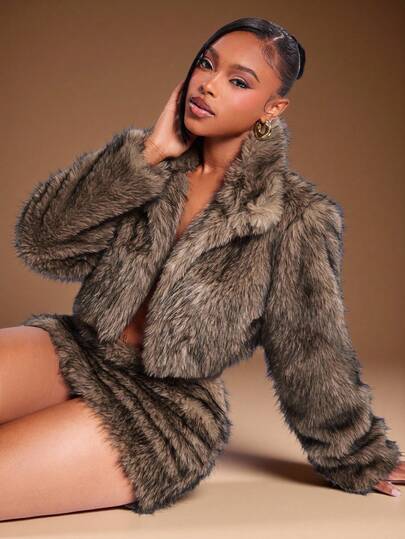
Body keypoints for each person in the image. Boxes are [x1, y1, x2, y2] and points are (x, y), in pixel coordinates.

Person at [1, 17, 403, 521]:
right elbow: (42, 242)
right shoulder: (150, 169)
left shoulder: (295, 217)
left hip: (160, 410)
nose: (209, 84)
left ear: (273, 108)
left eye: (239, 81)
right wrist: (149, 154)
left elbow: (310, 349)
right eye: (206, 64)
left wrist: (358, 456)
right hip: (76, 349)